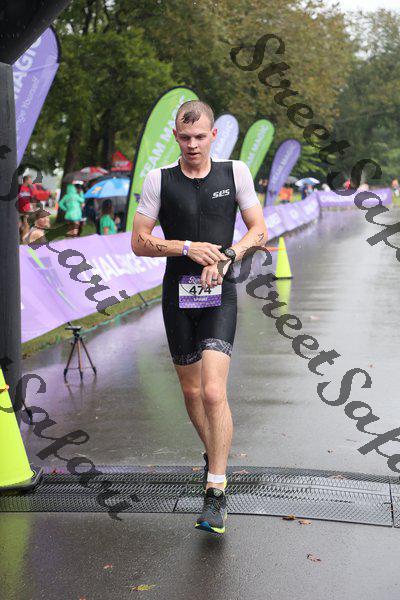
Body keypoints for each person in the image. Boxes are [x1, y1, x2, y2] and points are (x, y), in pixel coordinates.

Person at [131, 100, 267, 535]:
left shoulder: (235, 173)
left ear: (213, 136)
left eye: (200, 137)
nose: (192, 144)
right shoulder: (159, 179)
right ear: (176, 136)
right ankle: (215, 454)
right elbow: (138, 241)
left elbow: (258, 230)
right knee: (191, 392)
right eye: (185, 137)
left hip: (218, 292)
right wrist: (186, 247)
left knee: (212, 391)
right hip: (178, 293)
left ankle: (216, 489)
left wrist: (228, 255)